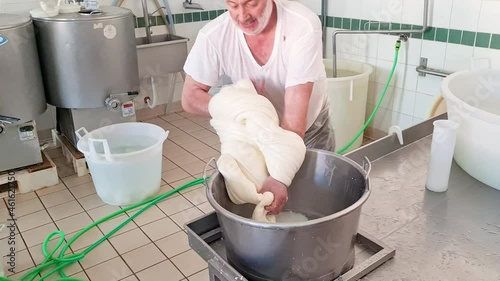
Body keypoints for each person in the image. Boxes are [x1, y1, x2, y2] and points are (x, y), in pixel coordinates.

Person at [181, 0, 335, 215]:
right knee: (261, 200)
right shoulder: (215, 35)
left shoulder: (302, 25)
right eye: (233, 5)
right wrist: (242, 107)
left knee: (315, 201)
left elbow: (293, 124)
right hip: (254, 132)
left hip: (308, 130)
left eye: (251, 3)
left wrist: (280, 176)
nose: (243, 16)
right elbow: (189, 97)